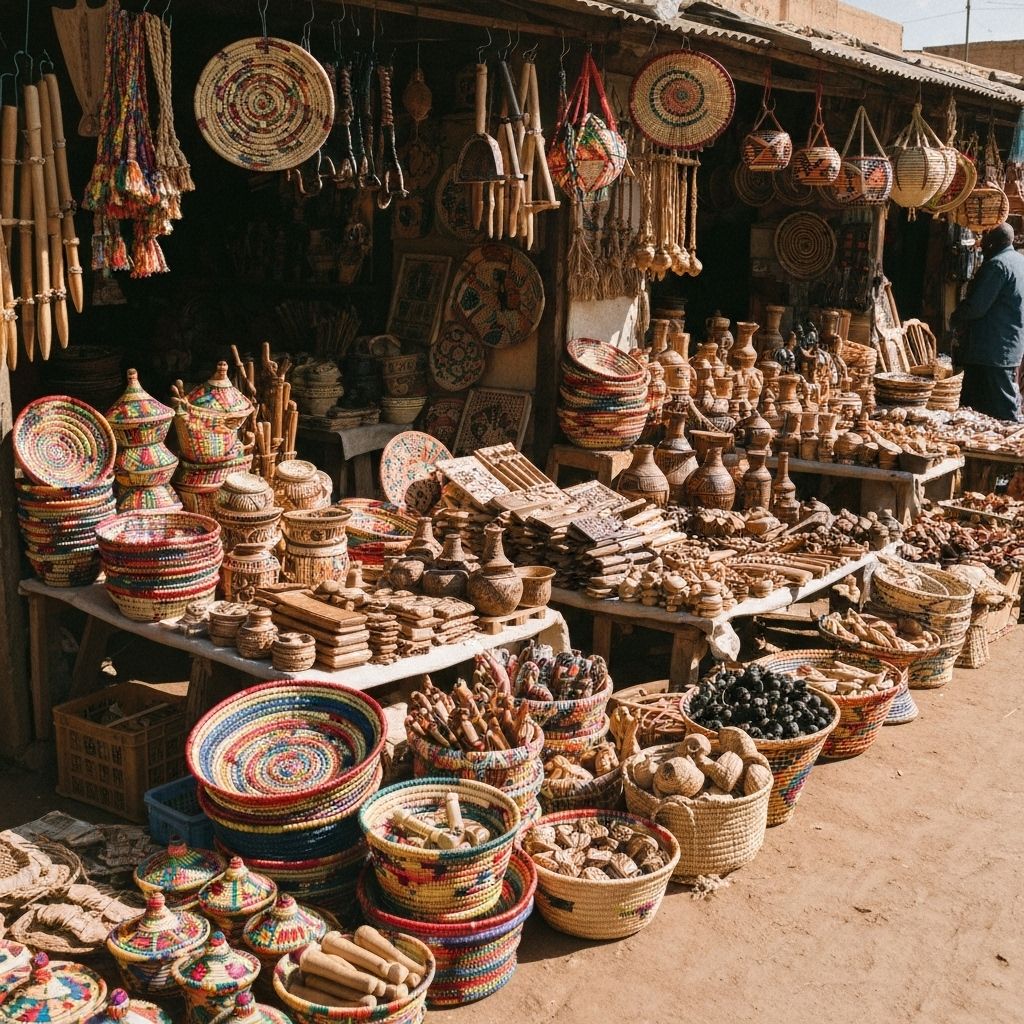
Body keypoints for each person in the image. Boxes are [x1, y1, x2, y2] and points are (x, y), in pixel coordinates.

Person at [950, 223, 1024, 422]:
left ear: (994, 243)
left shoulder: (997, 265)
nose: (981, 244)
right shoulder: (1020, 262)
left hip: (991, 351)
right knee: (983, 410)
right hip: (1008, 347)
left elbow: (976, 307)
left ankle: (1015, 449)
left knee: (1002, 411)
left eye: (986, 239)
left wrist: (956, 317)